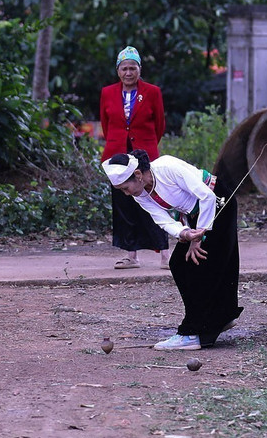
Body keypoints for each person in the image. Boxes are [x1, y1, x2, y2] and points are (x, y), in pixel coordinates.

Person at [102, 150, 242, 350]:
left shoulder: (167, 167)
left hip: (218, 202)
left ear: (139, 175)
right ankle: (221, 316)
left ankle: (193, 332)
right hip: (195, 216)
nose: (126, 193)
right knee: (179, 264)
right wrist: (185, 234)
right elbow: (162, 219)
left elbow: (207, 197)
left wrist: (198, 238)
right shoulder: (140, 194)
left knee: (201, 264)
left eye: (125, 187)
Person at [99, 46, 169, 270]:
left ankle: (165, 255)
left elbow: (159, 125)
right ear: (118, 71)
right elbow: (105, 124)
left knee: (152, 202)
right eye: (124, 69)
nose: (128, 73)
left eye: (132, 68)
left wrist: (145, 148)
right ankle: (131, 255)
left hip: (144, 155)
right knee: (124, 205)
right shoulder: (107, 93)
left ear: (139, 69)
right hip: (117, 156)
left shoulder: (152, 92)